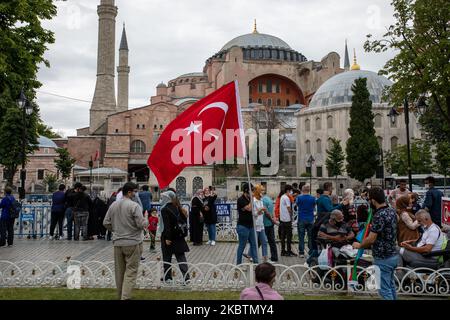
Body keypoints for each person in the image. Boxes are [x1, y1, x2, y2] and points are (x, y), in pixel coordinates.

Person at [103, 182, 148, 300]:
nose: (135, 194)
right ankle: (126, 297)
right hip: (132, 242)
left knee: (120, 272)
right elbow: (140, 224)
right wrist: (146, 220)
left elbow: (106, 222)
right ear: (129, 192)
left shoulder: (114, 205)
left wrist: (116, 230)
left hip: (118, 242)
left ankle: (120, 296)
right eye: (135, 191)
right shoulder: (134, 206)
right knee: (131, 271)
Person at [353, 187, 398, 300]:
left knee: (384, 290)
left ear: (373, 200)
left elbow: (372, 238)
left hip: (383, 257)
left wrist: (360, 245)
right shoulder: (391, 211)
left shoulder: (379, 215)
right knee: (390, 287)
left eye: (369, 199)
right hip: (393, 254)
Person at [160, 190, 190, 283]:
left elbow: (167, 225)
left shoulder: (165, 209)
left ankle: (168, 277)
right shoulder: (178, 207)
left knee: (167, 257)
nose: (161, 199)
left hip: (169, 237)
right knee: (181, 257)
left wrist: (168, 238)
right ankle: (186, 277)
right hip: (179, 236)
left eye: (163, 197)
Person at [236, 183, 258, 264]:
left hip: (251, 226)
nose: (252, 192)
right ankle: (238, 264)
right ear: (246, 191)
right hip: (243, 226)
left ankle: (256, 263)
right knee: (242, 246)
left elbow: (254, 209)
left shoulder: (249, 199)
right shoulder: (241, 199)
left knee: (254, 244)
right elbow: (248, 208)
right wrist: (253, 199)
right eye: (251, 190)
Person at [296, 184, 316, 258]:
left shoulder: (299, 198)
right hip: (310, 219)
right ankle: (310, 251)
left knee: (301, 236)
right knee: (310, 236)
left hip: (301, 218)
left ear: (302, 190)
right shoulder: (313, 198)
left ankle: (301, 252)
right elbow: (314, 206)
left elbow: (297, 205)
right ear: (309, 190)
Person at [251, 185, 269, 262]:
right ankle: (253, 257)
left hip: (261, 224)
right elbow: (253, 214)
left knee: (264, 241)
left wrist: (263, 210)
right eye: (261, 190)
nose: (263, 192)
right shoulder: (253, 201)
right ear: (257, 191)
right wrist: (259, 211)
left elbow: (261, 212)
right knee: (255, 242)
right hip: (255, 224)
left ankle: (265, 258)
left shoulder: (261, 200)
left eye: (263, 190)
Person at [279, 185, 296, 257]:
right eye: (291, 191)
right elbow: (289, 208)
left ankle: (283, 251)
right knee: (289, 236)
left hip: (282, 219)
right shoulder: (286, 198)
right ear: (288, 190)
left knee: (283, 236)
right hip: (287, 219)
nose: (291, 192)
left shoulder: (282, 197)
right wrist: (292, 216)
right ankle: (288, 251)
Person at [262, 187, 278, 262]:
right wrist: (274, 218)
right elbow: (272, 211)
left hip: (265, 223)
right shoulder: (269, 199)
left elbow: (266, 212)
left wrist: (272, 219)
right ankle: (274, 257)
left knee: (261, 240)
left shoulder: (263, 200)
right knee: (272, 241)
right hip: (270, 223)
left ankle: (251, 254)